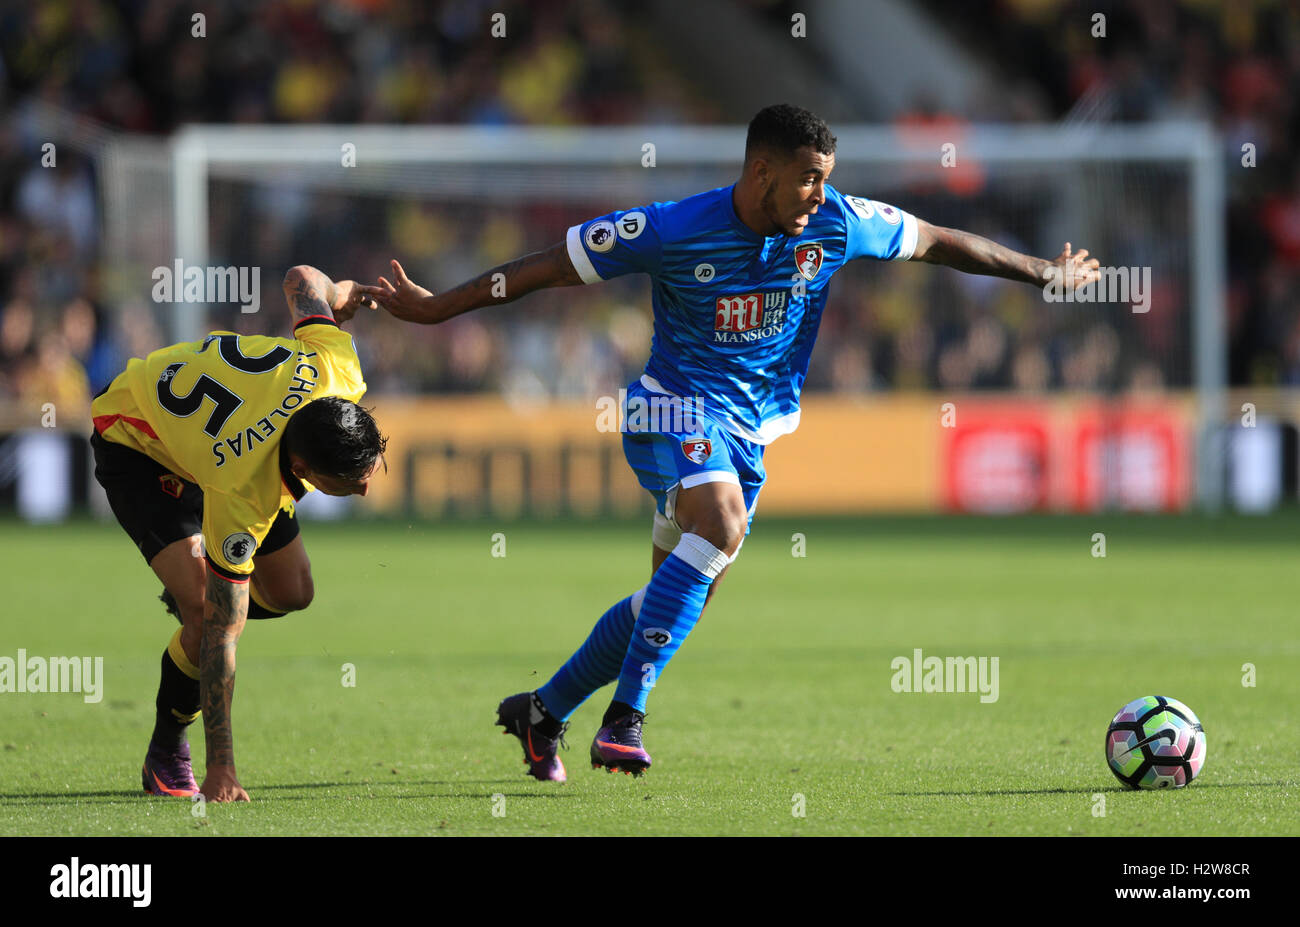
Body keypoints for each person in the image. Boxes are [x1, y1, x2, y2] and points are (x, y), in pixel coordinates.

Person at [364, 103, 1100, 779]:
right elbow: (543, 270)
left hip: (747, 435)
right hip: (667, 411)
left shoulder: (837, 224)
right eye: (809, 179)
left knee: (671, 598)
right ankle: (624, 719)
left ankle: (542, 710)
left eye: (825, 180)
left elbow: (937, 242)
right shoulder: (674, 228)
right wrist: (435, 310)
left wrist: (1044, 273)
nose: (819, 194)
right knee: (720, 526)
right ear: (762, 172)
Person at [91, 265, 386, 802]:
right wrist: (222, 767)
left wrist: (339, 293)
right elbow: (224, 638)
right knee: (209, 614)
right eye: (348, 483)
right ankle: (165, 749)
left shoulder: (337, 367)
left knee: (294, 592)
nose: (363, 492)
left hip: (218, 438)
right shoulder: (243, 494)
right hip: (137, 441)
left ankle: (191, 588)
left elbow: (299, 277)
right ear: (303, 467)